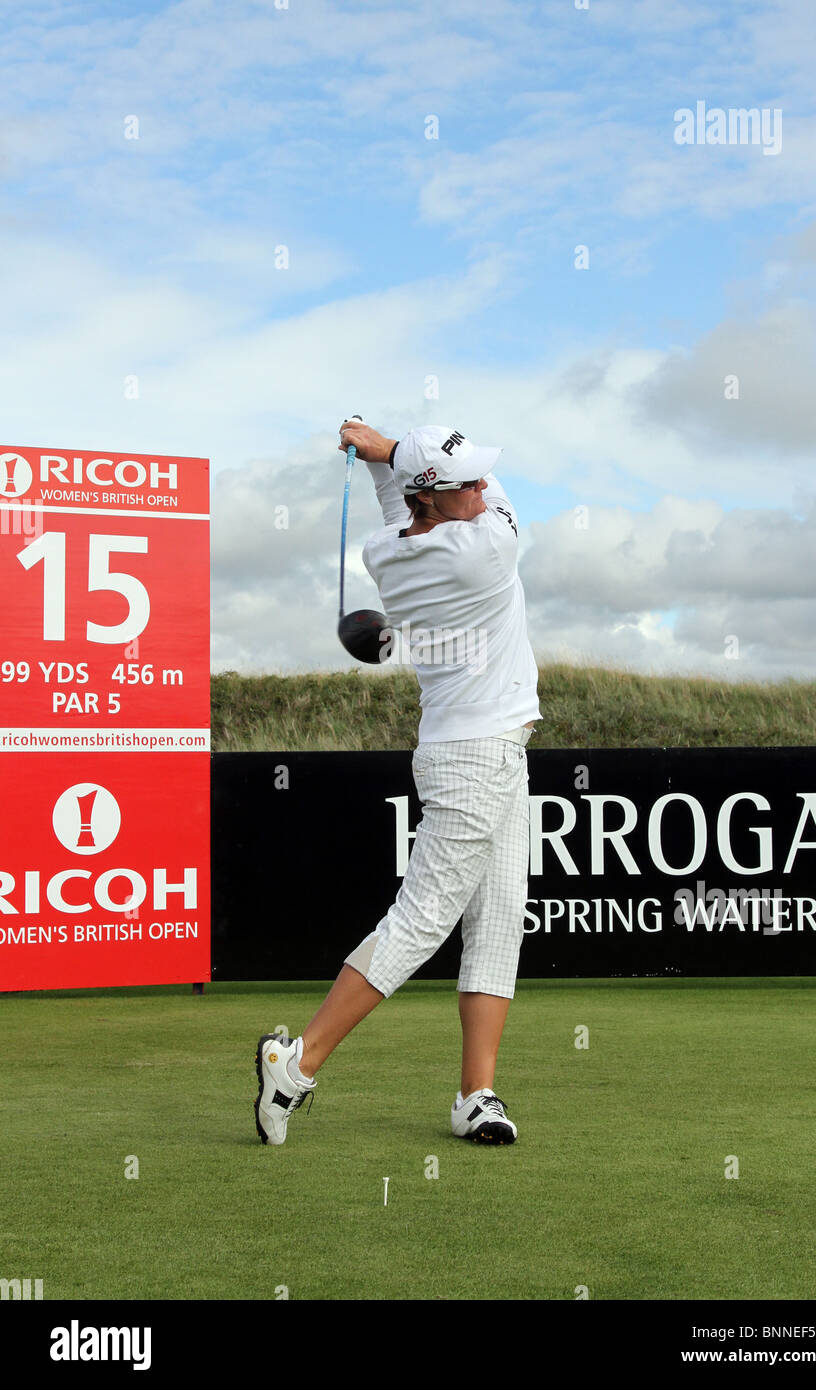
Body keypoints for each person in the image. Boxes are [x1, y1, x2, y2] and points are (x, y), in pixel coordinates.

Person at [253, 421, 542, 1146]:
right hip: (475, 757)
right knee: (420, 921)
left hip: (489, 748)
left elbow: (398, 508)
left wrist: (389, 462)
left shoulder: (388, 549)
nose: (480, 489)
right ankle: (297, 1063)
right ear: (433, 498)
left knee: (501, 919)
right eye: (464, 484)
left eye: (479, 478)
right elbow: (482, 502)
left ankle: (477, 1096)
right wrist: (389, 453)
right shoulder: (491, 546)